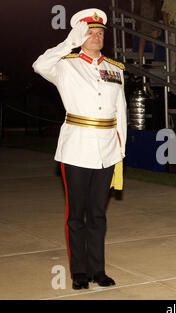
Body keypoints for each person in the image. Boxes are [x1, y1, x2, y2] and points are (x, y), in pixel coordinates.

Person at [32, 9, 127, 289]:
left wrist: (121, 149)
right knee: (76, 214)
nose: (97, 37)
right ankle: (79, 272)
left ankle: (99, 270)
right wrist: (69, 42)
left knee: (98, 213)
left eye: (100, 33)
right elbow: (39, 64)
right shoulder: (65, 65)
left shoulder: (115, 68)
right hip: (76, 148)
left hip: (107, 149)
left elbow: (120, 111)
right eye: (91, 32)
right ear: (80, 36)